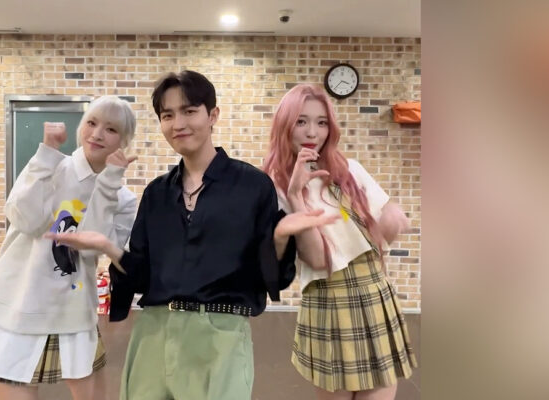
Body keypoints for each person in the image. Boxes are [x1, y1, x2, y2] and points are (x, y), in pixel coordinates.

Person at [46, 70, 338, 400]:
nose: (178, 123)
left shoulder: (252, 186)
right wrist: (109, 248)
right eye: (167, 115)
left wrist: (280, 237)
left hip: (220, 336)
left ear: (212, 115)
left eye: (189, 111)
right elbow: (139, 275)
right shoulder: (157, 193)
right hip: (153, 334)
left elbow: (271, 278)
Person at [0, 95, 138, 400]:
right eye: (92, 123)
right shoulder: (52, 166)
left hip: (71, 309)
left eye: (111, 129)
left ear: (124, 141)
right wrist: (46, 154)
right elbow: (24, 218)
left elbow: (90, 248)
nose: (97, 134)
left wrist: (109, 183)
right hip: (18, 301)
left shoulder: (123, 198)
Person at [262, 84, 418, 400]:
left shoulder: (349, 171)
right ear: (284, 124)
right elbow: (317, 259)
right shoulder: (272, 187)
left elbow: (383, 226)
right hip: (329, 298)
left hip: (374, 290)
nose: (312, 132)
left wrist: (390, 222)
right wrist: (296, 197)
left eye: (321, 122)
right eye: (301, 121)